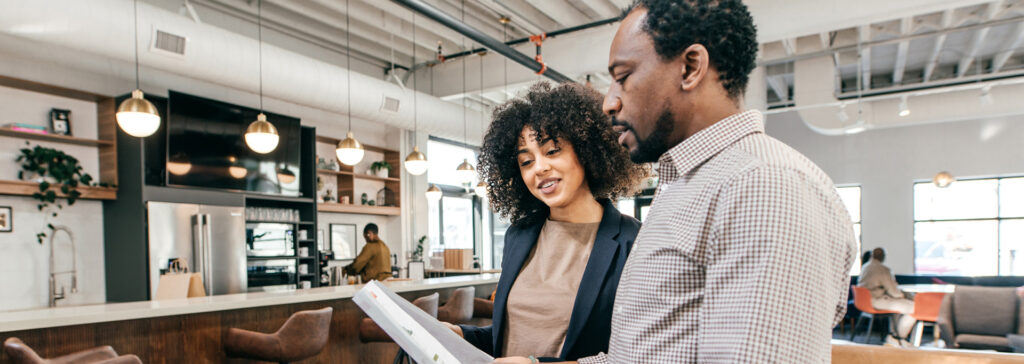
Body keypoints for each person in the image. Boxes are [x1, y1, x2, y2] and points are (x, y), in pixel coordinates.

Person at [495, 1, 857, 363]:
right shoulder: (688, 187)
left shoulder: (764, 185)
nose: (609, 102)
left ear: (690, 67)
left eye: (623, 77)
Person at [450, 82, 647, 362]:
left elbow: (637, 353)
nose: (539, 168)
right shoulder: (519, 236)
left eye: (552, 151)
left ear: (586, 150)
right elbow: (513, 335)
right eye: (526, 161)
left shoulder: (633, 241)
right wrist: (461, 335)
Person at [859, 247, 915, 344]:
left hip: (864, 301)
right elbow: (894, 292)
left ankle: (893, 335)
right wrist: (903, 296)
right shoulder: (883, 269)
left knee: (899, 308)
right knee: (914, 308)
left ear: (872, 255)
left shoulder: (865, 267)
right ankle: (899, 338)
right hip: (876, 300)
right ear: (883, 257)